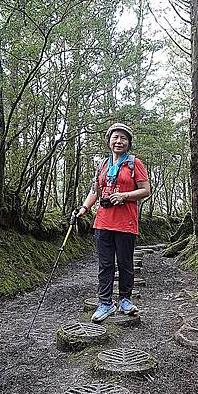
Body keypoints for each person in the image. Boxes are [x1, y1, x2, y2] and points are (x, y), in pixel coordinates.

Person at [76, 123, 150, 323]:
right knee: (105, 265)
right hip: (102, 222)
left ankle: (125, 300)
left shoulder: (135, 164)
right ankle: (105, 303)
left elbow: (145, 190)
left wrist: (124, 195)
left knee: (125, 264)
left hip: (126, 222)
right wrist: (84, 208)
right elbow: (95, 191)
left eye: (123, 138)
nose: (119, 141)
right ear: (109, 141)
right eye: (115, 137)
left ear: (129, 143)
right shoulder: (102, 165)